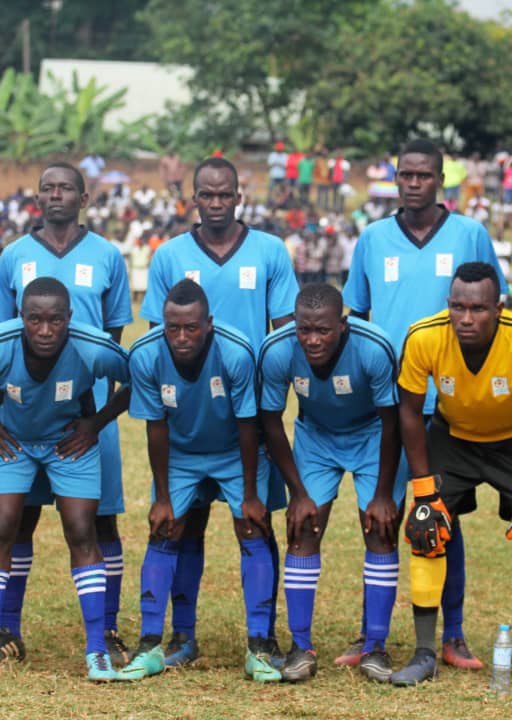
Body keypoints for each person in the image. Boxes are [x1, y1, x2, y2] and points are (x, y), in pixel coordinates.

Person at [341, 138, 504, 669]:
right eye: (405, 175)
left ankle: (452, 635)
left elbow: (490, 311)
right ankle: (372, 637)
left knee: (443, 517)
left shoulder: (469, 234)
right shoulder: (372, 239)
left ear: (441, 178)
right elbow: (356, 317)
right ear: (395, 176)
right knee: (380, 517)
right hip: (386, 404)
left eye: (425, 175)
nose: (414, 183)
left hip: (450, 402)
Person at [140, 156, 299, 667]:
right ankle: (182, 637)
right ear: (193, 197)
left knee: (254, 523)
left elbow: (283, 336)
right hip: (186, 414)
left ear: (238, 195)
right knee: (183, 526)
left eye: (224, 194)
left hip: (246, 420)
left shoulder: (271, 252)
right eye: (205, 194)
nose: (215, 203)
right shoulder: (168, 256)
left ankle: (263, 637)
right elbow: (155, 336)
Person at [391, 262, 512, 689]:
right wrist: (424, 489)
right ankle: (424, 652)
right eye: (457, 307)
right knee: (423, 527)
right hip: (454, 439)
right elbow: (409, 412)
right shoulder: (424, 336)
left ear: (499, 308)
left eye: (478, 309)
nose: (466, 318)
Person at [0, 277, 131, 679]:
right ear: (21, 317)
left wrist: (95, 424)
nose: (45, 331)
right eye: (34, 320)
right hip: (14, 441)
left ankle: (97, 650)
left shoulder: (93, 346)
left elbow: (141, 374)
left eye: (55, 321)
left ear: (70, 317)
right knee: (2, 526)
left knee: (83, 531)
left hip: (69, 443)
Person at [0, 162, 134, 663]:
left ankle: (108, 631)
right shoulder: (13, 256)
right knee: (20, 520)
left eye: (66, 188)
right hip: (25, 416)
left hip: (88, 420)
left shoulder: (108, 255)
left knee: (102, 525)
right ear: (37, 197)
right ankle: (7, 630)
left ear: (84, 197)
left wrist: (97, 415)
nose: (56, 195)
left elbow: (114, 342)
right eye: (48, 188)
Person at [118, 280, 279, 683]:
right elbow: (155, 427)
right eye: (173, 328)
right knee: (167, 527)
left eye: (191, 327)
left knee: (252, 527)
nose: (182, 337)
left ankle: (260, 645)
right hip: (181, 454)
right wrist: (162, 496)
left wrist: (250, 495)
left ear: (207, 323)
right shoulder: (145, 354)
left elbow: (248, 424)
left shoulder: (237, 351)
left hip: (233, 449)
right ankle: (158, 643)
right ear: (162, 324)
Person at [257, 283, 404, 682]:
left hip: (373, 435)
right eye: (305, 330)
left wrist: (383, 494)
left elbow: (393, 422)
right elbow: (271, 421)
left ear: (344, 324)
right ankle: (300, 647)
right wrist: (298, 494)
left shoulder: (375, 347)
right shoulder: (277, 349)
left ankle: (375, 646)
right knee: (302, 528)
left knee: (380, 529)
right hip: (316, 436)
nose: (313, 339)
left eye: (323, 330)